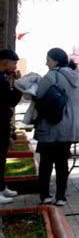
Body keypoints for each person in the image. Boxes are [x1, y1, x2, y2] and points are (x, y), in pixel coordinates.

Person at [34, 48, 79, 206]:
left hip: (52, 124)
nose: (46, 63)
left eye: (48, 59)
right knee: (62, 162)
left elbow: (39, 96)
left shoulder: (51, 75)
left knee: (46, 162)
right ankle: (61, 196)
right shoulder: (77, 78)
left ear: (55, 61)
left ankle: (45, 196)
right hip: (71, 126)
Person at [0, 50, 22, 204]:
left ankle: (1, 188)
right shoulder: (1, 81)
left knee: (2, 158)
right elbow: (10, 101)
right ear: (5, 62)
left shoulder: (2, 78)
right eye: (14, 63)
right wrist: (19, 85)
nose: (15, 67)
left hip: (2, 124)